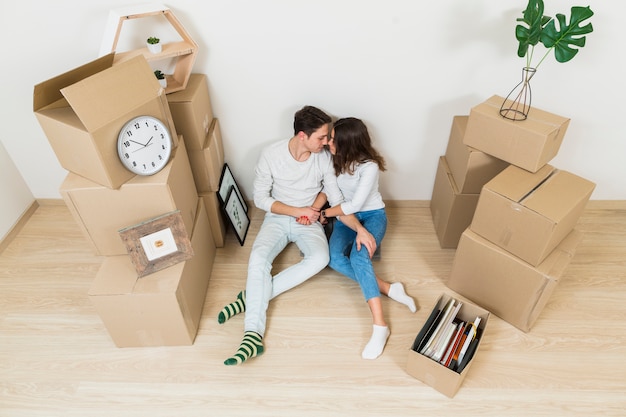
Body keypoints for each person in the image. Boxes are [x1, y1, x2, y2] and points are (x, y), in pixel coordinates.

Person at [217, 106, 376, 366]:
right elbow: (260, 198)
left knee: (320, 258)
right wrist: (297, 210)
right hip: (278, 217)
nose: (327, 143)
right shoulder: (271, 155)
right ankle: (252, 334)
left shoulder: (323, 157)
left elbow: (335, 197)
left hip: (309, 220)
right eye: (322, 138)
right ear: (303, 136)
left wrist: (355, 227)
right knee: (258, 258)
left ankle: (252, 297)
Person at [317, 117, 417, 360]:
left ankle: (380, 327)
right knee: (334, 259)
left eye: (332, 140)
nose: (328, 143)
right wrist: (316, 210)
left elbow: (355, 204)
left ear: (348, 143)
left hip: (372, 215)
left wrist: (326, 213)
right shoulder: (333, 160)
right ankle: (388, 288)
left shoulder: (368, 167)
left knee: (359, 257)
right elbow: (331, 193)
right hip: (345, 217)